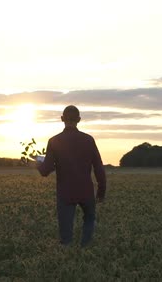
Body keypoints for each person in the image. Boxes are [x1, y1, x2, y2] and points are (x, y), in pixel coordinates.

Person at [36, 105, 106, 247]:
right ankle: (85, 249)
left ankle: (67, 254)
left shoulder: (54, 141)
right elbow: (98, 167)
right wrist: (101, 191)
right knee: (89, 220)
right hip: (86, 191)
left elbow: (45, 171)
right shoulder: (88, 140)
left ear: (62, 119)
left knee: (66, 236)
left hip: (65, 193)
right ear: (79, 120)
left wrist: (37, 162)